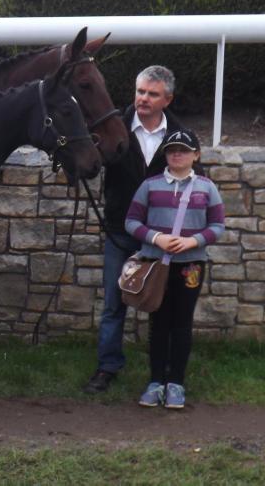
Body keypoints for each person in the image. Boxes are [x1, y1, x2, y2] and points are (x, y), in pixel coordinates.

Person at [84, 65, 188, 394]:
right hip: (119, 230)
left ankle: (162, 372)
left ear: (167, 99)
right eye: (140, 91)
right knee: (114, 304)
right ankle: (107, 367)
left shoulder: (180, 136)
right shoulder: (113, 127)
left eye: (152, 94)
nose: (143, 98)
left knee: (161, 304)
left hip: (160, 236)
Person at [125, 129, 224, 408]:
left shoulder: (207, 188)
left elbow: (217, 226)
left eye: (183, 150)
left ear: (196, 155)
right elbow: (131, 222)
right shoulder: (150, 186)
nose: (177, 154)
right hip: (156, 265)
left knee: (181, 323)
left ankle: (176, 383)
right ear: (165, 155)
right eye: (171, 150)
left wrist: (193, 240)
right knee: (158, 323)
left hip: (190, 266)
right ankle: (156, 381)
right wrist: (157, 238)